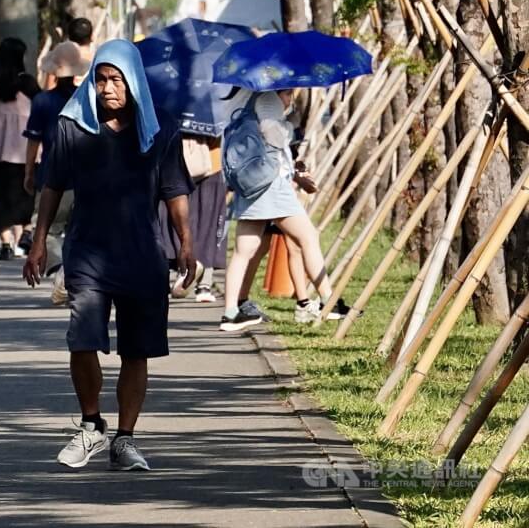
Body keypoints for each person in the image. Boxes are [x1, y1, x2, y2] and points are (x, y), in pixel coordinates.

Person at [23, 39, 196, 471]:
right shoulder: (72, 125)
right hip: (87, 252)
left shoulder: (159, 129)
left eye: (116, 79)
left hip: (142, 255)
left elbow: (174, 191)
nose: (107, 88)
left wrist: (186, 242)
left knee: (136, 352)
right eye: (100, 79)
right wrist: (39, 241)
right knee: (82, 342)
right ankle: (91, 426)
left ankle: (125, 438)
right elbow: (52, 187)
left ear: (133, 80)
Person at [220, 89, 349, 331]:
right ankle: (328, 302)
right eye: (289, 93)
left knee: (243, 251)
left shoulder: (247, 102)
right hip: (271, 185)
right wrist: (290, 129)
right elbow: (274, 136)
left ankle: (230, 313)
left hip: (251, 185)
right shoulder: (268, 98)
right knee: (308, 237)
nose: (290, 98)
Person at [23, 41, 90, 304]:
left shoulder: (42, 101)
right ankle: (77, 274)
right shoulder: (85, 97)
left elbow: (33, 141)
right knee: (80, 230)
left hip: (53, 175)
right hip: (84, 175)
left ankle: (62, 270)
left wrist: (29, 171)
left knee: (49, 228)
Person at [0, 38, 40, 260]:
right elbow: (41, 107)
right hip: (24, 149)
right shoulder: (28, 83)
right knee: (25, 193)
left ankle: (5, 244)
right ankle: (24, 235)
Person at [160, 133, 227, 302]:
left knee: (172, 221)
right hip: (208, 165)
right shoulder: (217, 109)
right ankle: (202, 284)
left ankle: (176, 277)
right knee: (205, 224)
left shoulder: (168, 110)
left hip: (176, 163)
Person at [42, 17, 93, 90]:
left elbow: (49, 87)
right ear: (92, 37)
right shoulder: (97, 60)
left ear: (69, 36)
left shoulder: (61, 56)